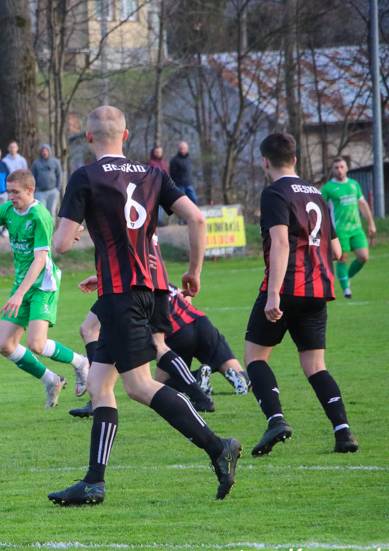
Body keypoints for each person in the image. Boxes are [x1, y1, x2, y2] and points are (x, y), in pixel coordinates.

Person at [47, 106, 240, 506]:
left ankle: (217, 445)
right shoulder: (153, 174)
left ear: (88, 138)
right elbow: (197, 220)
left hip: (123, 297)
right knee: (101, 385)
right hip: (151, 289)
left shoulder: (85, 177)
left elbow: (61, 245)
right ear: (127, 135)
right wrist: (194, 271)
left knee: (138, 386)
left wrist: (76, 226)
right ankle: (93, 482)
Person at [244, 132, 358, 457]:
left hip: (286, 287)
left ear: (265, 161)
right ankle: (343, 432)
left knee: (254, 357)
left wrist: (273, 295)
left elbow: (280, 243)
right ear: (294, 158)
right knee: (315, 366)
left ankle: (276, 420)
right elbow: (336, 250)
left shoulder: (274, 193)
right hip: (318, 289)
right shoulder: (317, 194)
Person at [0, 169, 89, 408]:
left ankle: (81, 362)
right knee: (5, 346)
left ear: (30, 190)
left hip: (43, 285)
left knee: (36, 344)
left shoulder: (40, 216)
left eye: (15, 192)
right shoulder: (7, 211)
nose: (10, 196)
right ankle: (51, 380)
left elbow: (40, 260)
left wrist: (19, 294)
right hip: (22, 284)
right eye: (8, 191)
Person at [69, 279, 250, 418]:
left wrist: (105, 278)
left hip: (164, 320)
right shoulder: (152, 258)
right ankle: (201, 383)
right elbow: (184, 294)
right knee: (242, 377)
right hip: (200, 323)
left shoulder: (127, 240)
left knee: (155, 382)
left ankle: (196, 382)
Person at [320, 157, 377, 299]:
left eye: (341, 167)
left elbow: (362, 204)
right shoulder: (328, 188)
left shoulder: (354, 184)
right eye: (336, 167)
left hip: (356, 229)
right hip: (339, 230)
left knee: (363, 257)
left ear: (346, 168)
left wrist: (371, 223)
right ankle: (346, 290)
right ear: (332, 170)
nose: (339, 170)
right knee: (342, 259)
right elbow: (320, 207)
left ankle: (346, 277)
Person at [31, 145, 63, 219]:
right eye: (43, 151)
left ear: (49, 152)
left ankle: (51, 229)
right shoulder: (36, 163)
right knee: (41, 212)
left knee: (51, 212)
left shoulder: (55, 162)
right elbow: (33, 177)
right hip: (40, 192)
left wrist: (58, 188)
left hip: (53, 191)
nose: (44, 153)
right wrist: (34, 190)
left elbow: (59, 174)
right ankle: (43, 229)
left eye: (46, 151)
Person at [169, 141, 198, 207]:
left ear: (187, 149)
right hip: (179, 185)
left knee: (194, 199)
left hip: (188, 184)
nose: (182, 150)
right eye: (180, 149)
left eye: (183, 149)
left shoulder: (189, 159)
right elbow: (172, 173)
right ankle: (182, 217)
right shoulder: (175, 160)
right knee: (182, 203)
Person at [148, 146, 170, 226]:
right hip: (154, 188)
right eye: (156, 152)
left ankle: (158, 220)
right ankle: (155, 221)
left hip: (164, 187)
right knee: (156, 205)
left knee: (162, 205)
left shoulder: (164, 163)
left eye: (159, 152)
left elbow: (168, 175)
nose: (158, 154)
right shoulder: (150, 164)